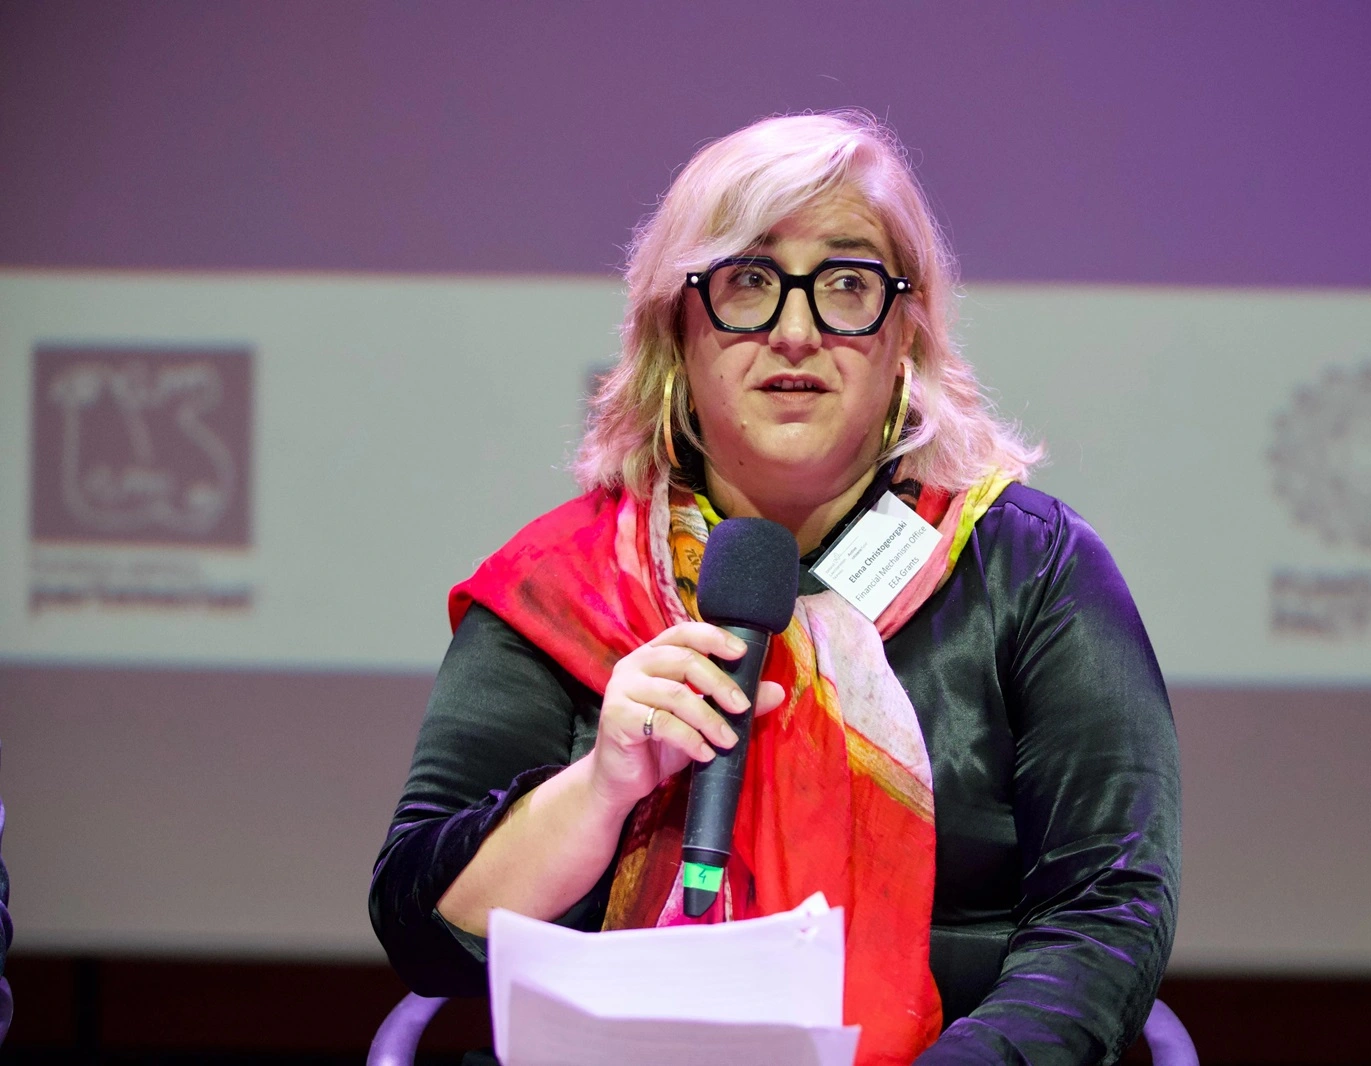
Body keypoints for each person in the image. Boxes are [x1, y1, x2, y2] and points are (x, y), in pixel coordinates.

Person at [370, 111, 1179, 1065]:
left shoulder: (1030, 571)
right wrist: (599, 791)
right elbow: (421, 930)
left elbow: (1106, 914)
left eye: (848, 284)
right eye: (749, 281)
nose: (797, 331)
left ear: (907, 334)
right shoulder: (564, 585)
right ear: (676, 326)